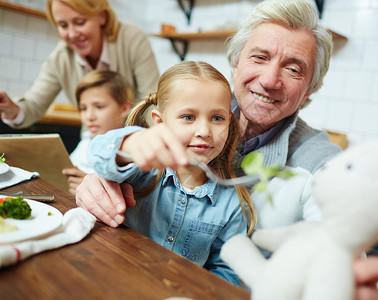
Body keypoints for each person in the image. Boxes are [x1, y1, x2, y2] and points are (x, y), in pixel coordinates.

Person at [75, 1, 378, 298]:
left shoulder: (322, 164)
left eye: (293, 69)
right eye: (259, 57)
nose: (269, 80)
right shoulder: (191, 106)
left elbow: (341, 248)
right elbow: (115, 148)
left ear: (310, 90)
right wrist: (103, 172)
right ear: (236, 63)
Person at [85, 61, 257, 285]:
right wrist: (129, 144)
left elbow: (227, 272)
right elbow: (98, 154)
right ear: (160, 122)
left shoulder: (233, 203)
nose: (204, 131)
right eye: (188, 117)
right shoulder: (140, 171)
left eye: (217, 118)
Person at [0, 0, 159, 129]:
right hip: (93, 139)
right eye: (63, 25)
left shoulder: (132, 40)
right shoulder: (60, 58)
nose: (72, 34)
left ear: (102, 17)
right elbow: (34, 105)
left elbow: (152, 102)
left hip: (138, 139)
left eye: (80, 22)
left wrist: (143, 141)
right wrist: (12, 110)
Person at [62, 70, 133, 195]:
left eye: (99, 107)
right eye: (83, 108)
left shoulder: (128, 150)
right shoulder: (86, 140)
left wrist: (90, 186)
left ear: (124, 108)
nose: (89, 116)